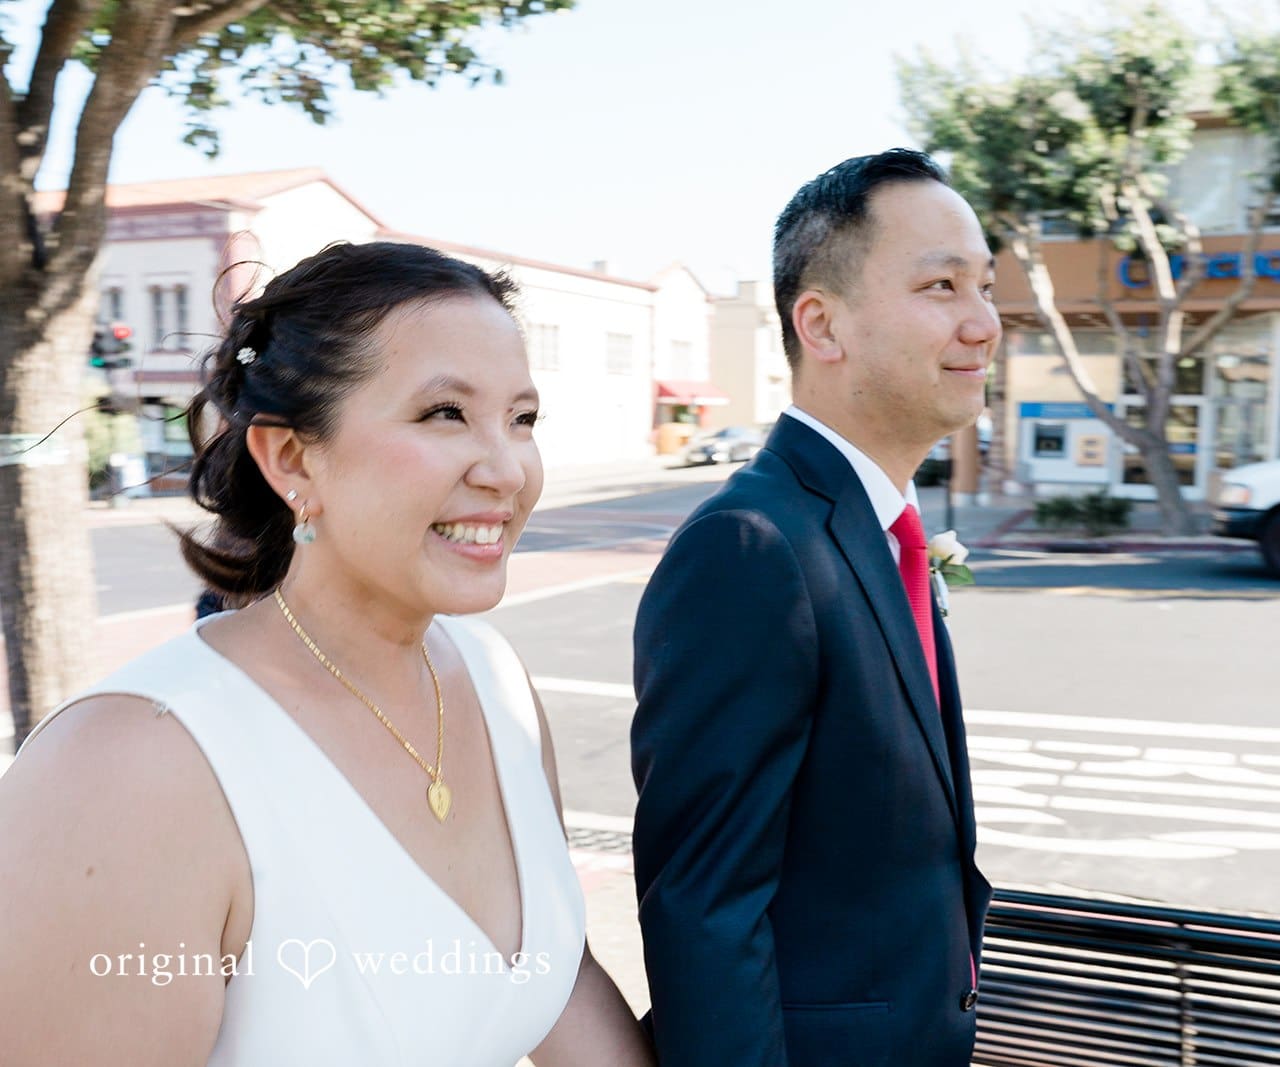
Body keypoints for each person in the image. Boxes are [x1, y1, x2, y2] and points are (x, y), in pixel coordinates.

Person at [0, 241, 654, 1067]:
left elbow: (553, 983)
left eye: (522, 419)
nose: (507, 469)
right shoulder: (132, 764)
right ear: (292, 457)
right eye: (444, 413)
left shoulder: (494, 681)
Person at [630, 149, 998, 1067]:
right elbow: (705, 909)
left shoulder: (884, 528)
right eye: (942, 286)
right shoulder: (750, 546)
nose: (984, 323)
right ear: (821, 324)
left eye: (986, 287)